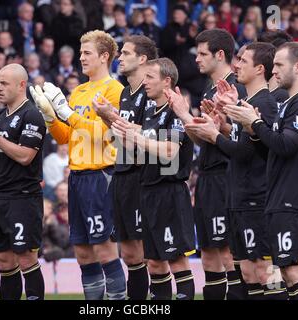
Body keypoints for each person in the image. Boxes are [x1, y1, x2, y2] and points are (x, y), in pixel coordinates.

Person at [184, 42, 289, 299]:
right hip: (239, 197)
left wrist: (214, 136)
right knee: (249, 273)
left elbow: (248, 152)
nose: (237, 64)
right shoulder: (247, 102)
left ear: (259, 69)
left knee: (266, 272)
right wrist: (221, 128)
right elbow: (242, 146)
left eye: (243, 60)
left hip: (257, 198)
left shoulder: (266, 102)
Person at [30, 30, 126, 300]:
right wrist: (51, 118)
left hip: (101, 175)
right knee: (83, 251)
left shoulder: (114, 89)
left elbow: (104, 133)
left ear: (104, 56)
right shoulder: (79, 91)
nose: (81, 57)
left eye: (87, 53)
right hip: (77, 177)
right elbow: (67, 137)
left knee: (104, 248)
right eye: (81, 52)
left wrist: (67, 113)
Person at [224, 42, 298, 300]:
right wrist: (250, 127)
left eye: (279, 65)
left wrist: (254, 123)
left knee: (292, 272)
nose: (274, 70)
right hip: (281, 197)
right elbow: (270, 147)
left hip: (294, 198)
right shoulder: (289, 102)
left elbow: (287, 145)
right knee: (284, 272)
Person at [165, 28, 247, 300]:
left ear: (219, 54)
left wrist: (183, 113)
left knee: (227, 252)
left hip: (227, 176)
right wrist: (187, 119)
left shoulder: (235, 87)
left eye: (202, 54)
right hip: (207, 176)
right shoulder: (209, 87)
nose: (197, 59)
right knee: (209, 253)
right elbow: (204, 139)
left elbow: (233, 137)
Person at [112, 57, 196, 300]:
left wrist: (138, 140)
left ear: (166, 81)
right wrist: (118, 128)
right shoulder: (149, 110)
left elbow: (170, 151)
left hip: (169, 192)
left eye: (150, 77)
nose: (145, 82)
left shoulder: (177, 109)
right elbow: (140, 152)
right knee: (155, 263)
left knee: (176, 260)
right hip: (147, 190)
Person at [0, 64, 46, 300]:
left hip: (23, 197)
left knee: (25, 257)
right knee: (3, 259)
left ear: (21, 85)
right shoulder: (1, 117)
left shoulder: (31, 114)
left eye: (5, 83)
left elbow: (25, 156)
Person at [93, 35, 158, 300]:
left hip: (143, 176)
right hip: (121, 173)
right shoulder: (126, 94)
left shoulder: (151, 92)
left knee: (148, 253)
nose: (119, 58)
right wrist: (109, 118)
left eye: (126, 53)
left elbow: (154, 135)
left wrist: (112, 117)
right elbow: (123, 136)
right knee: (130, 253)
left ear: (142, 59)